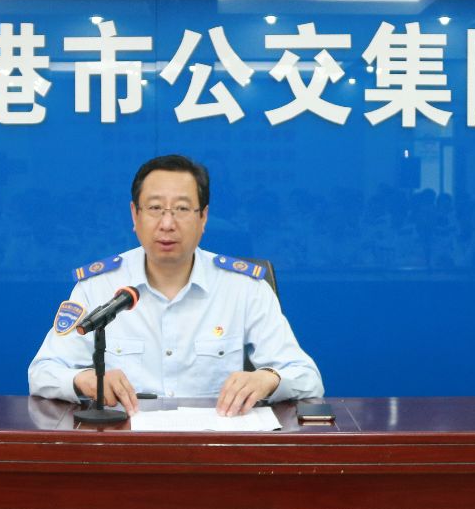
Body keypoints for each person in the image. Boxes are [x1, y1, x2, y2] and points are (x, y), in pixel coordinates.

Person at [28, 154, 323, 416]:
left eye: (181, 209)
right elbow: (42, 372)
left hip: (213, 448)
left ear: (203, 217)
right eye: (155, 208)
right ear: (135, 215)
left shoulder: (244, 288)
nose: (167, 224)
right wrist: (83, 379)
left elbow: (307, 377)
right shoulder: (97, 287)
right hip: (124, 445)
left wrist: (268, 378)